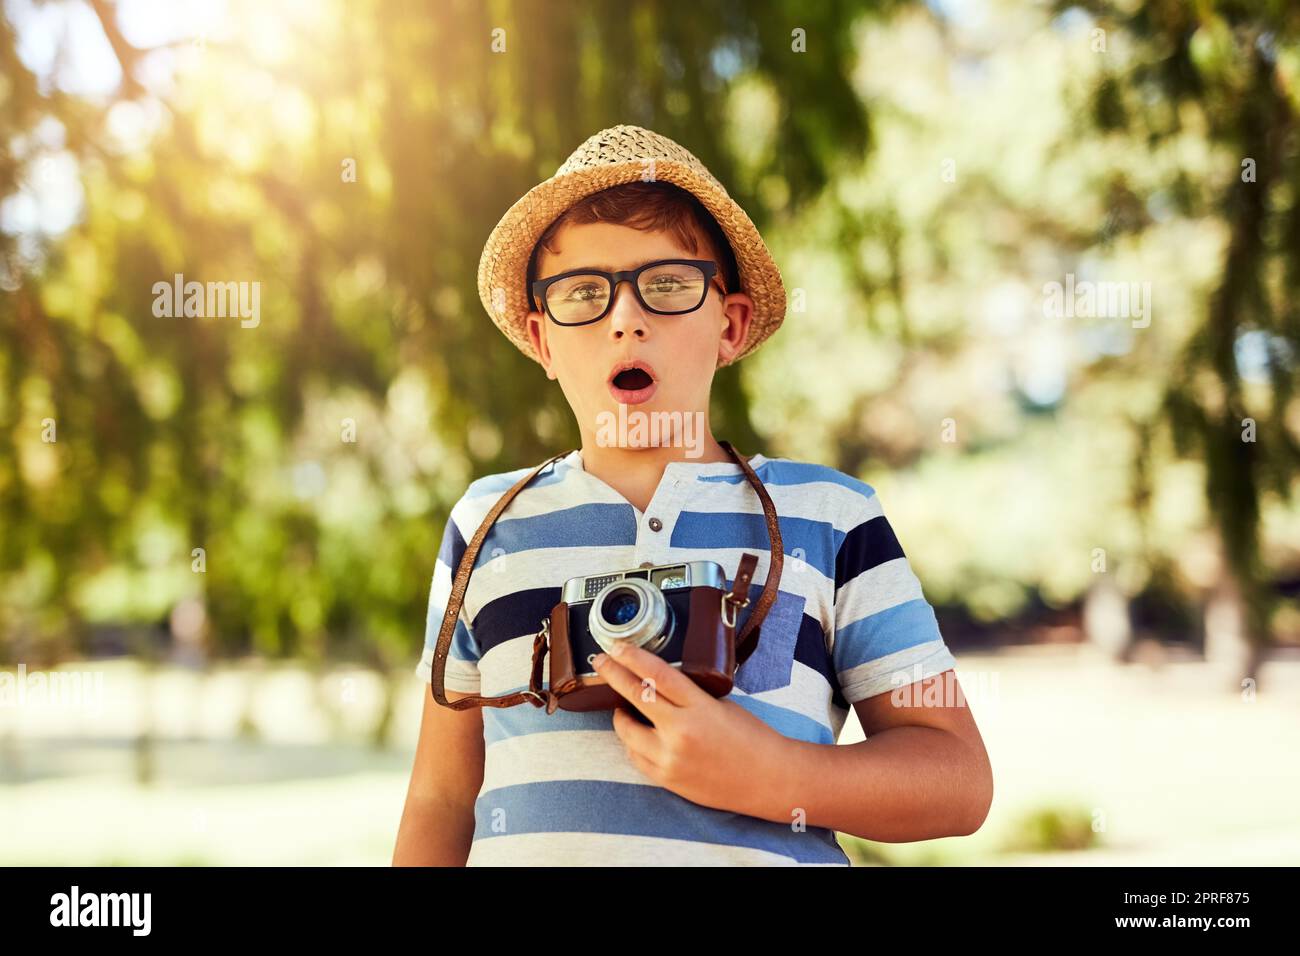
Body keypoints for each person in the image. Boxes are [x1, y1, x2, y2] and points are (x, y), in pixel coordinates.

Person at [393, 124, 992, 866]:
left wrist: (773, 775)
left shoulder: (830, 520)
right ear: (542, 342)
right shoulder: (488, 525)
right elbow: (440, 799)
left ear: (730, 325)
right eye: (584, 293)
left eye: (668, 284)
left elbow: (958, 779)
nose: (625, 318)